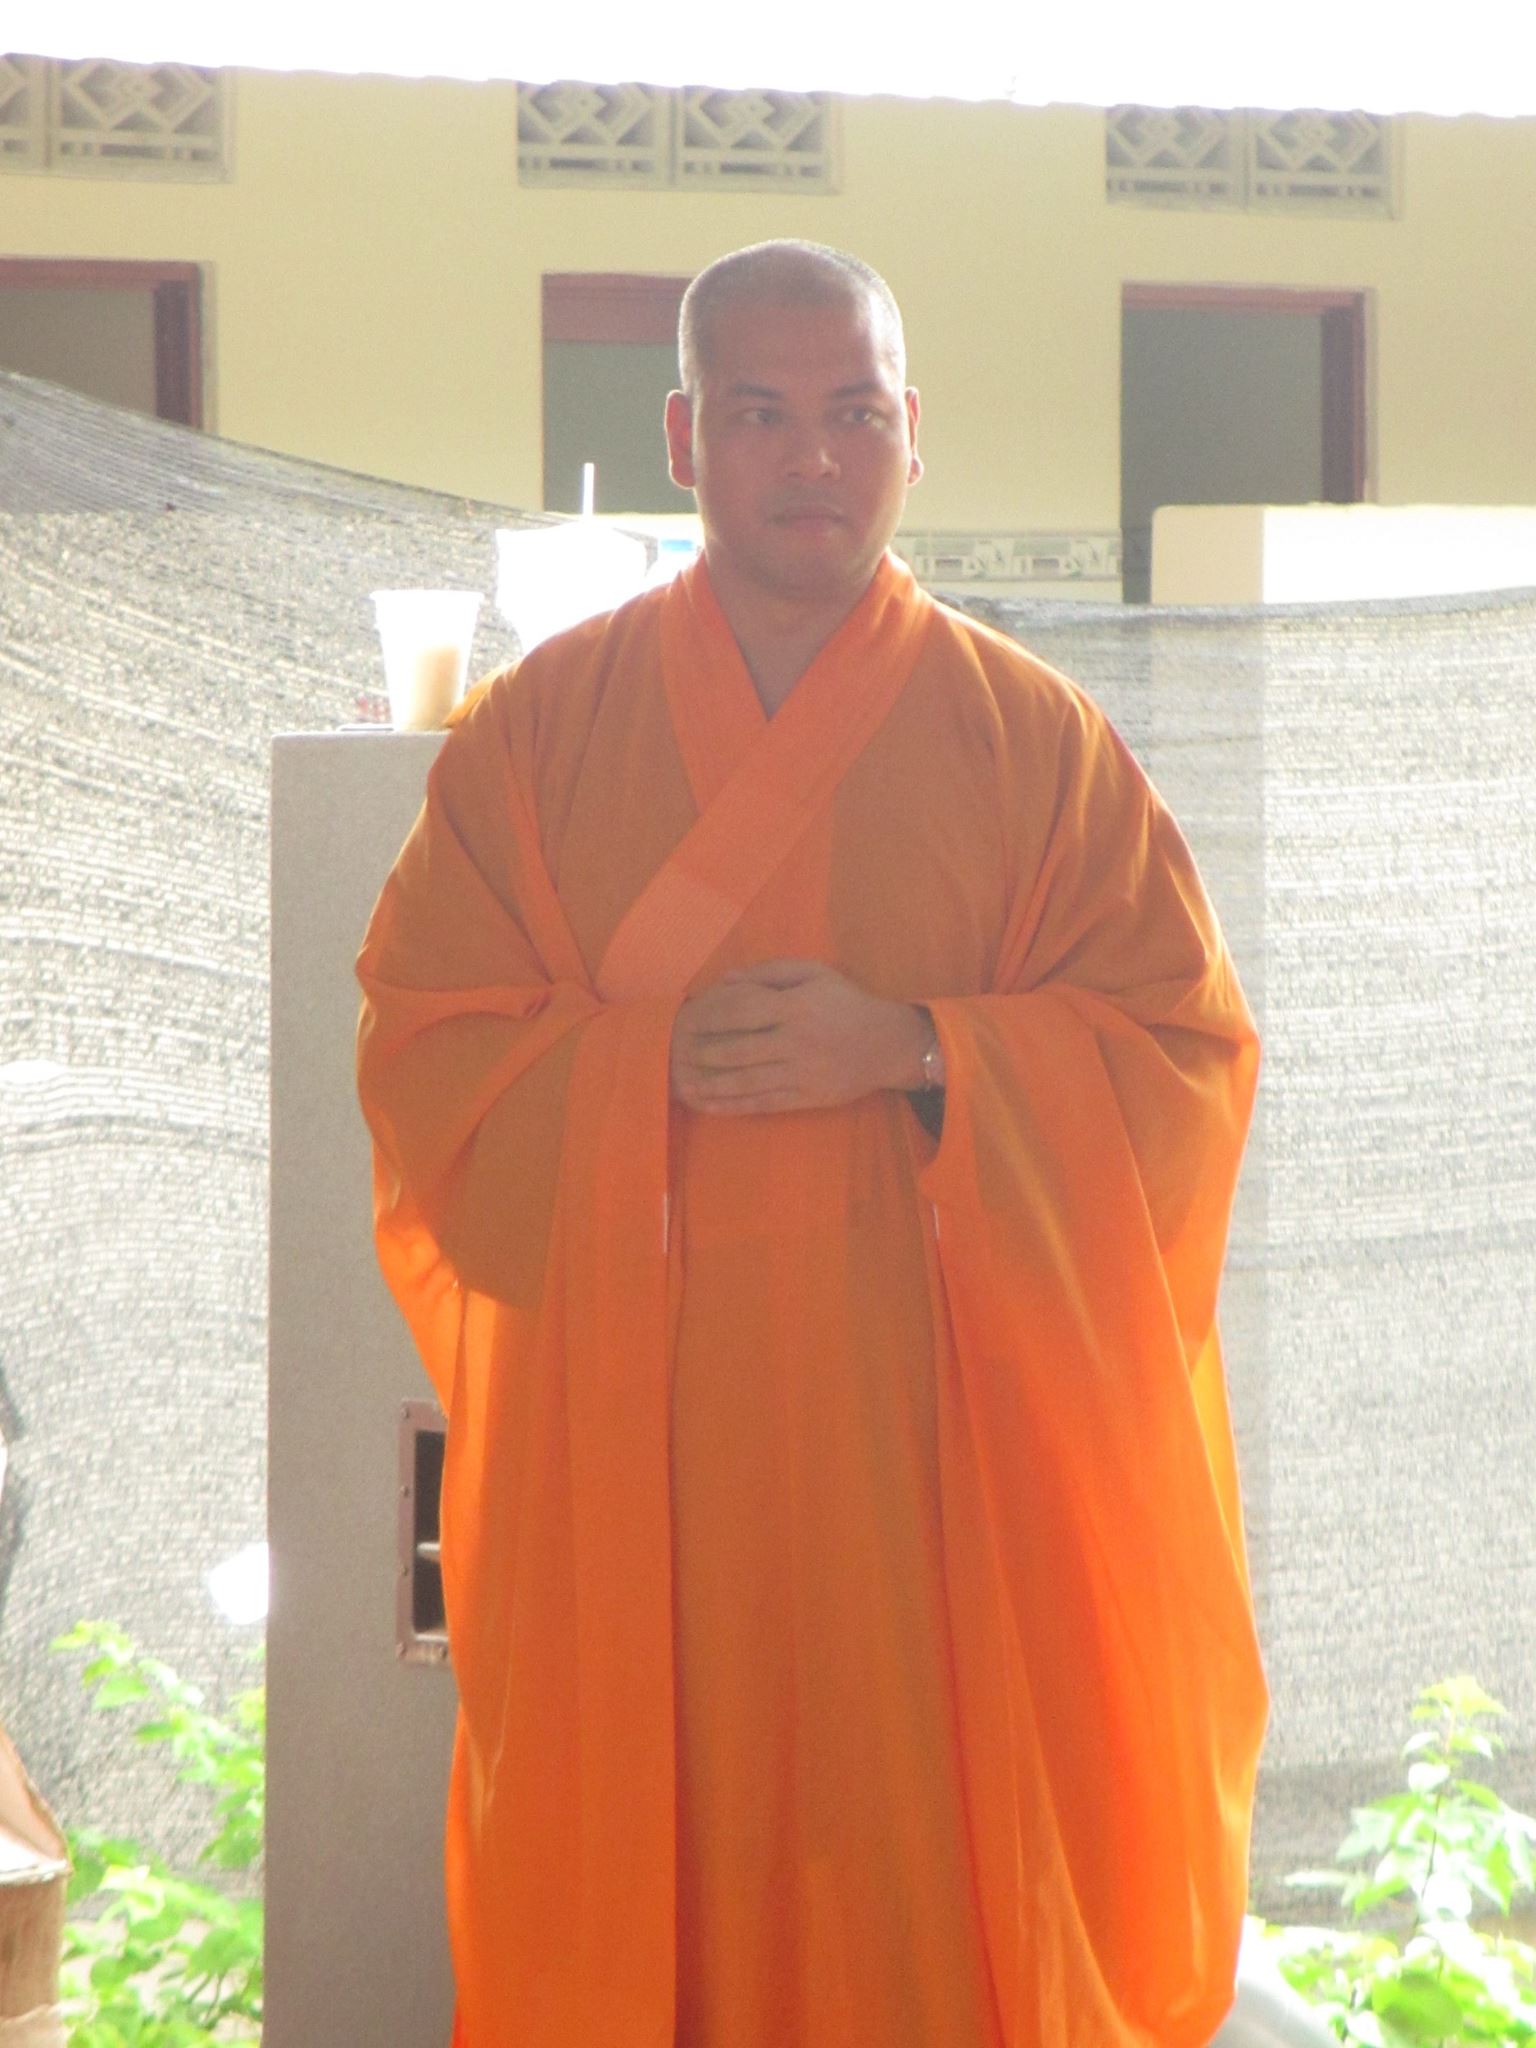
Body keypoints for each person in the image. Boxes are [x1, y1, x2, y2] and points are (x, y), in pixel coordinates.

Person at [356, 239, 1267, 2048]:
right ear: (683, 437)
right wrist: (639, 1069)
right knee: (659, 1867)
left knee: (918, 1862)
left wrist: (920, 1049)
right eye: (762, 414)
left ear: (913, 434)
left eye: (853, 414)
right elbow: (426, 1050)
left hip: (929, 1447)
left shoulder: (1034, 742)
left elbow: (1182, 1058)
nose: (813, 458)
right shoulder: (537, 738)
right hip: (645, 1443)